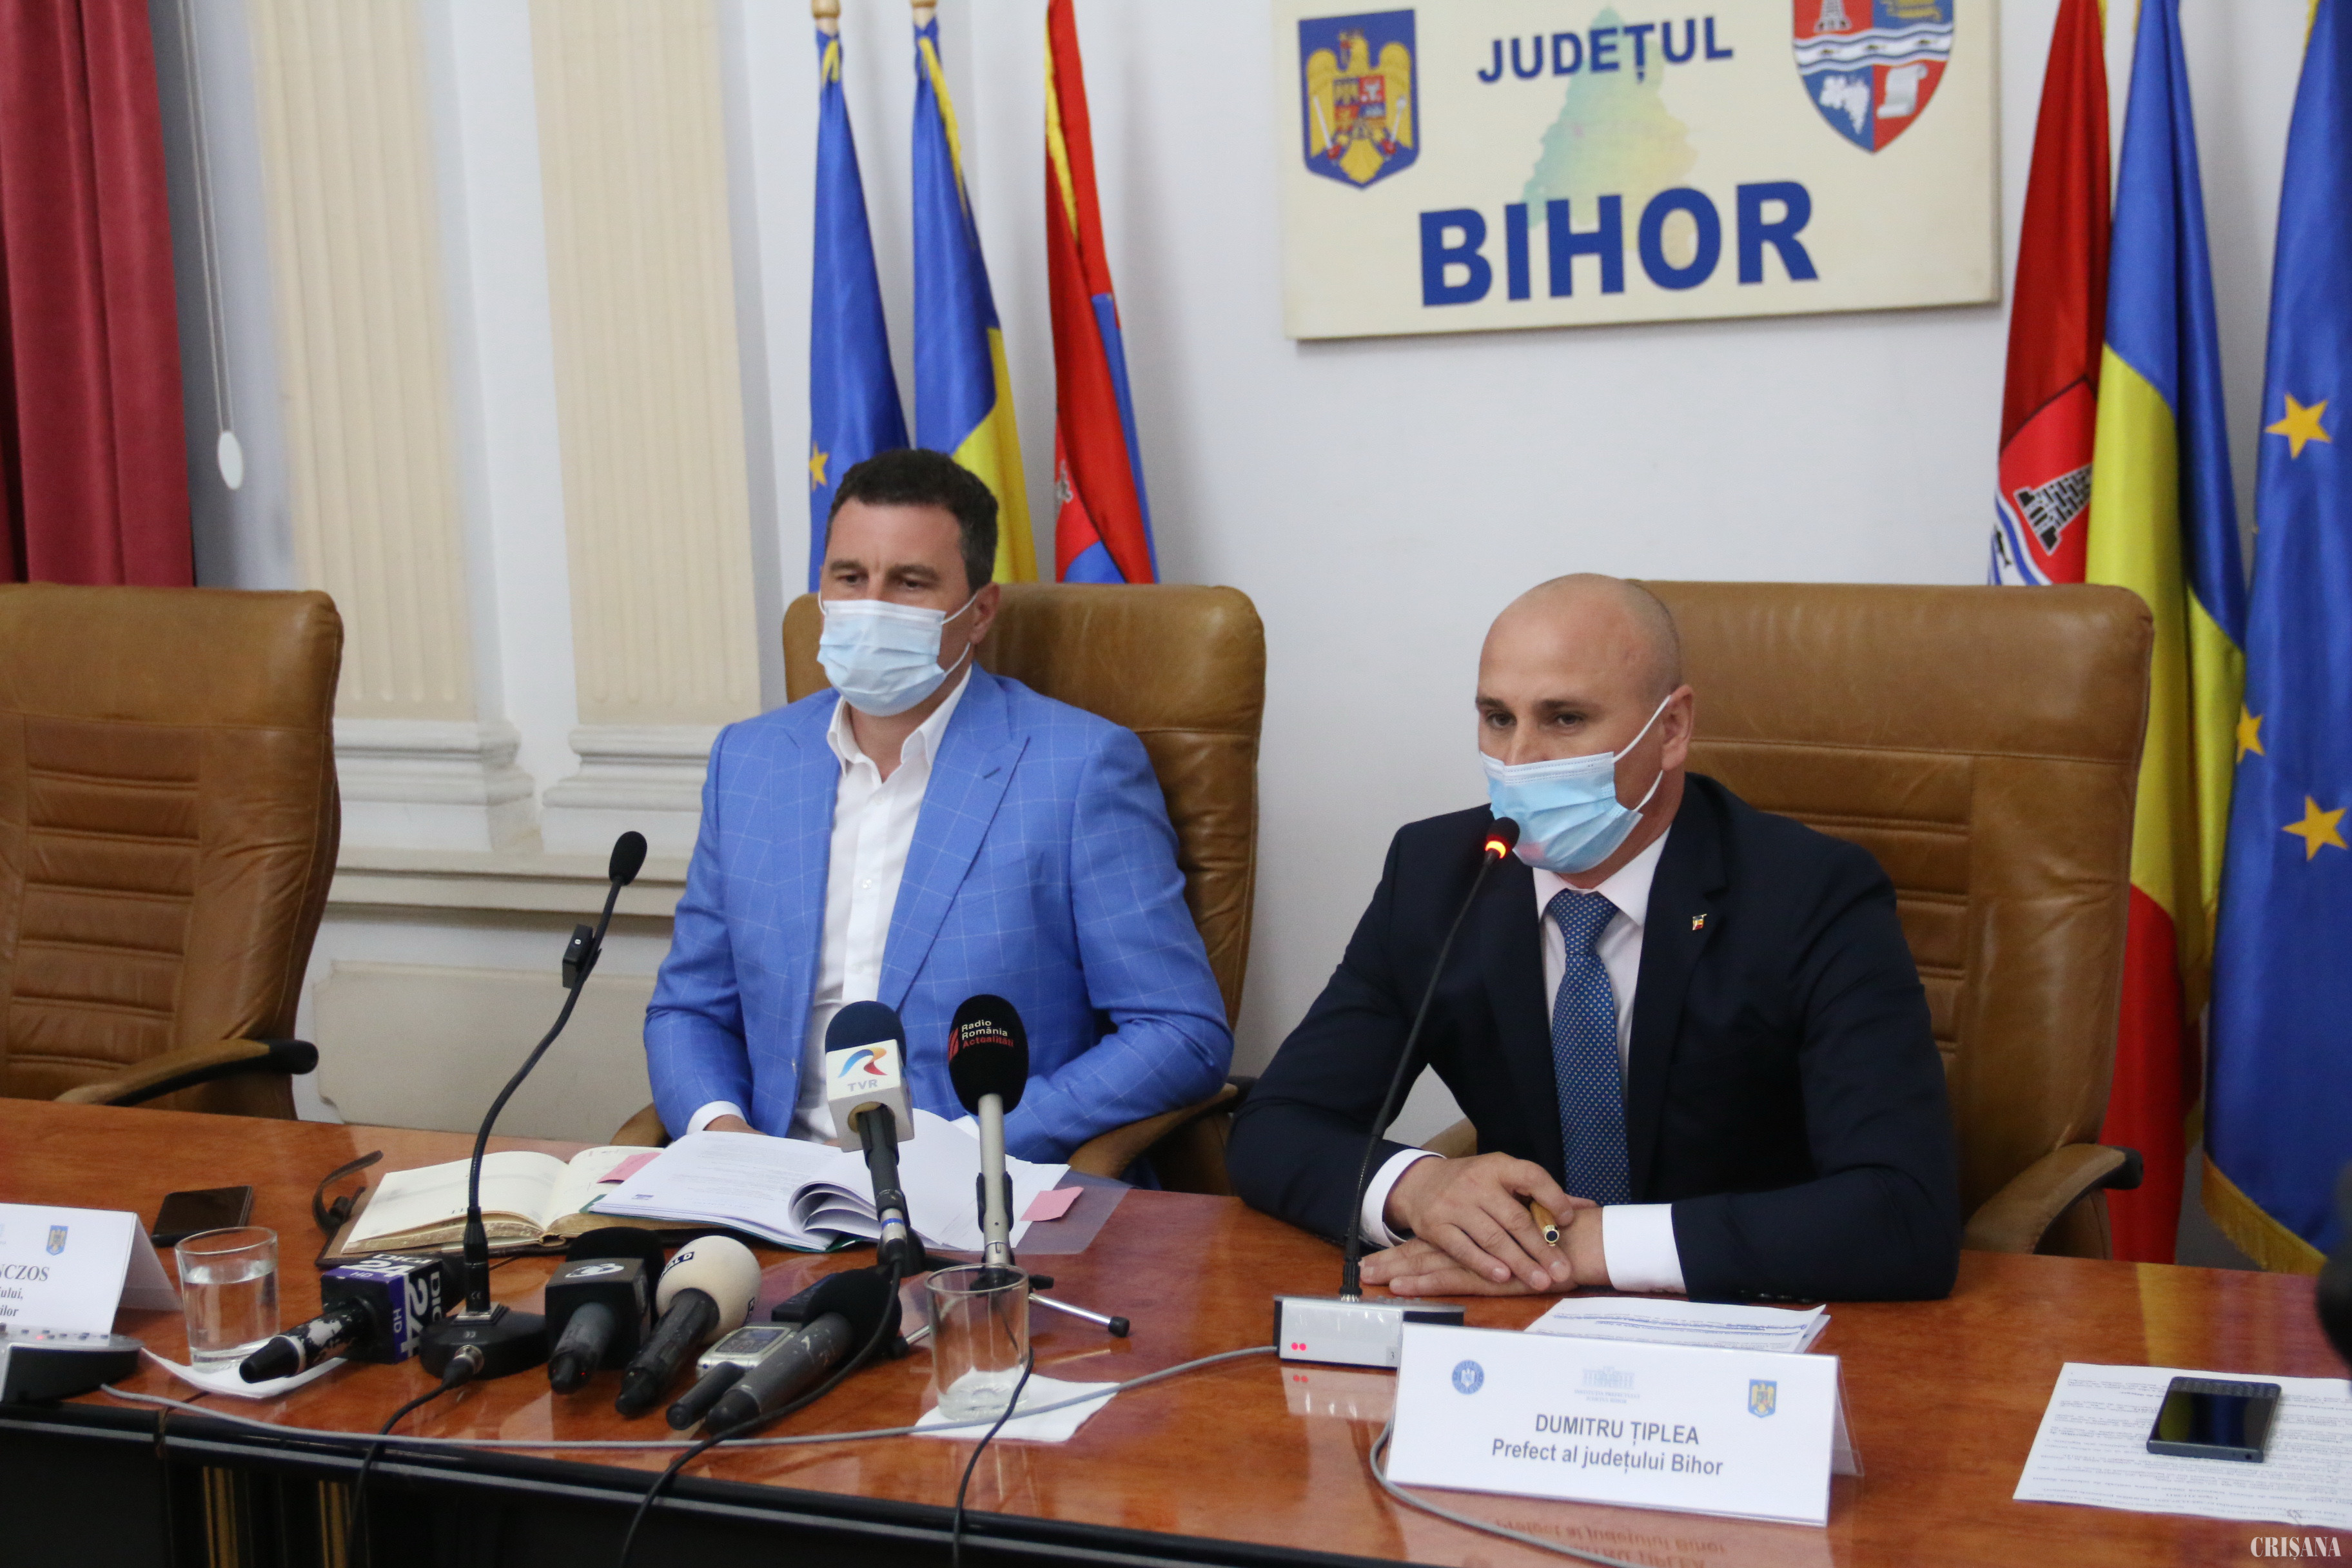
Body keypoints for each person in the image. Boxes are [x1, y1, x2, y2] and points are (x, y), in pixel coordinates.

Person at [1226, 574, 1959, 1302]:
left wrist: (1585, 1245)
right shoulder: (1437, 876)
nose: (1519, 759)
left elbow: (1904, 1212)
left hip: (1744, 1316)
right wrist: (1416, 1186)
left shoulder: (1810, 893)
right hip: (1516, 1325)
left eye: (1565, 718)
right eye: (1497, 718)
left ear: (1671, 729)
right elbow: (1275, 1126)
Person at [645, 448, 1232, 1162]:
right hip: (774, 1183)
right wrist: (721, 1135)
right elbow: (689, 1009)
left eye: (910, 581)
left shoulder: (1079, 770)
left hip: (979, 1188)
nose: (872, 606)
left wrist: (971, 1146)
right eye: (850, 577)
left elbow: (1179, 1033)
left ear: (979, 612)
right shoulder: (751, 762)